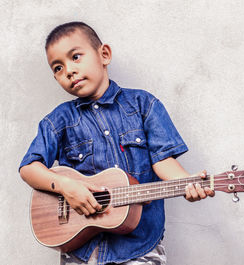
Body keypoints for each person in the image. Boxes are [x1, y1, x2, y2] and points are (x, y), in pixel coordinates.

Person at [19, 21, 214, 265]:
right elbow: (29, 168)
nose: (68, 70)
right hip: (82, 249)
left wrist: (187, 183)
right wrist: (67, 187)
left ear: (104, 55)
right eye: (58, 68)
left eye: (76, 57)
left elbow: (163, 161)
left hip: (140, 245)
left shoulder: (144, 105)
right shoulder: (58, 121)